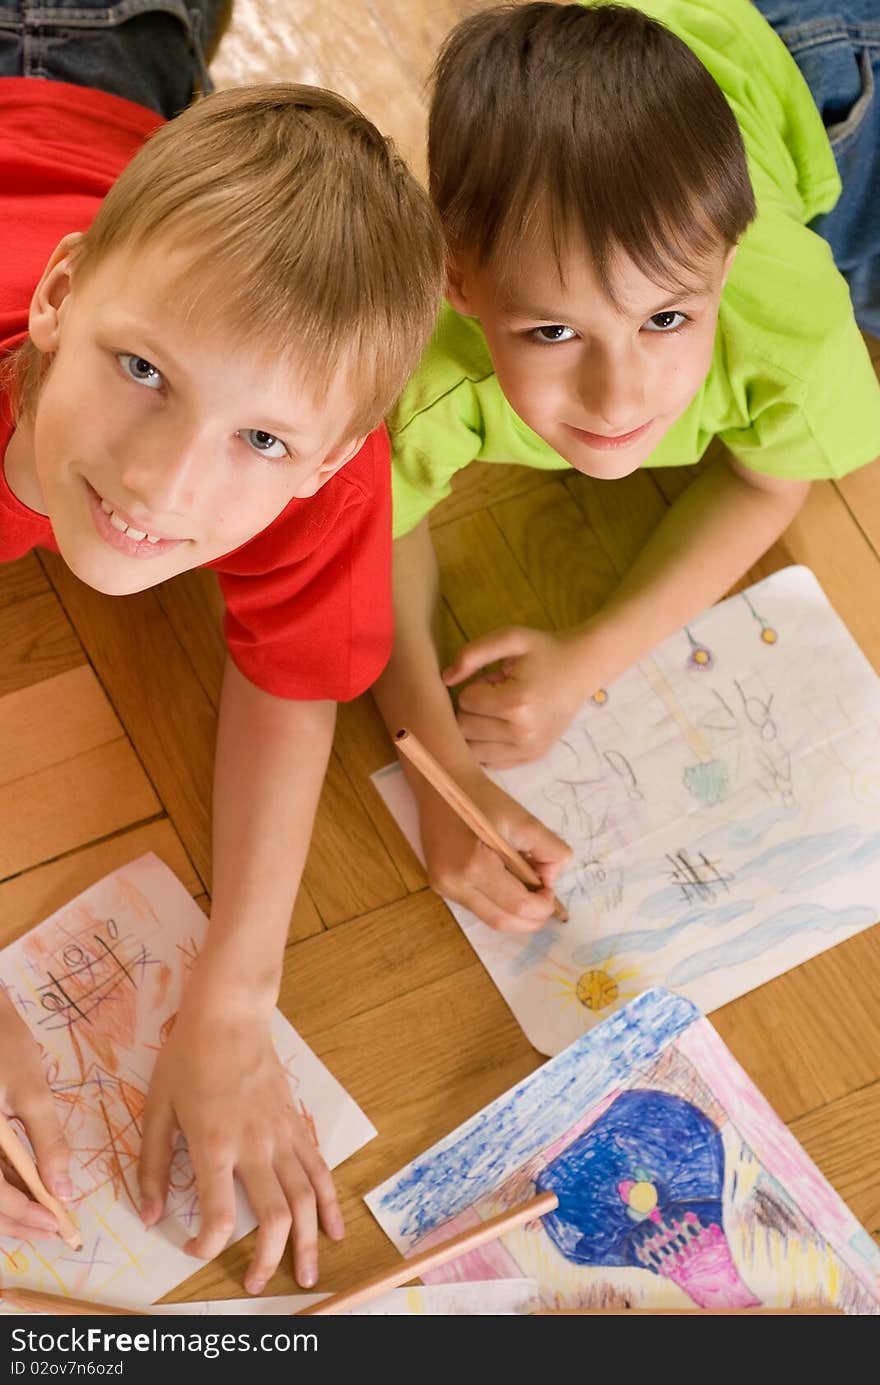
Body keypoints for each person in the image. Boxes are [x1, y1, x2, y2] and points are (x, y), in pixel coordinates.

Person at [0, 1, 445, 1293]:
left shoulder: (332, 450)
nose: (166, 486)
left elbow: (291, 669)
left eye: (260, 442)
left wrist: (238, 998)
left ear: (327, 465)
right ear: (59, 295)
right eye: (142, 368)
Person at [374, 0, 880, 934]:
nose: (617, 398)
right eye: (554, 332)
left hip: (809, 50)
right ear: (459, 282)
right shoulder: (422, 360)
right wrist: (438, 766)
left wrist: (586, 661)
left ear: (723, 268)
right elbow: (377, 529)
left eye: (666, 319)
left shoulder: (794, 332)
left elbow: (773, 481)